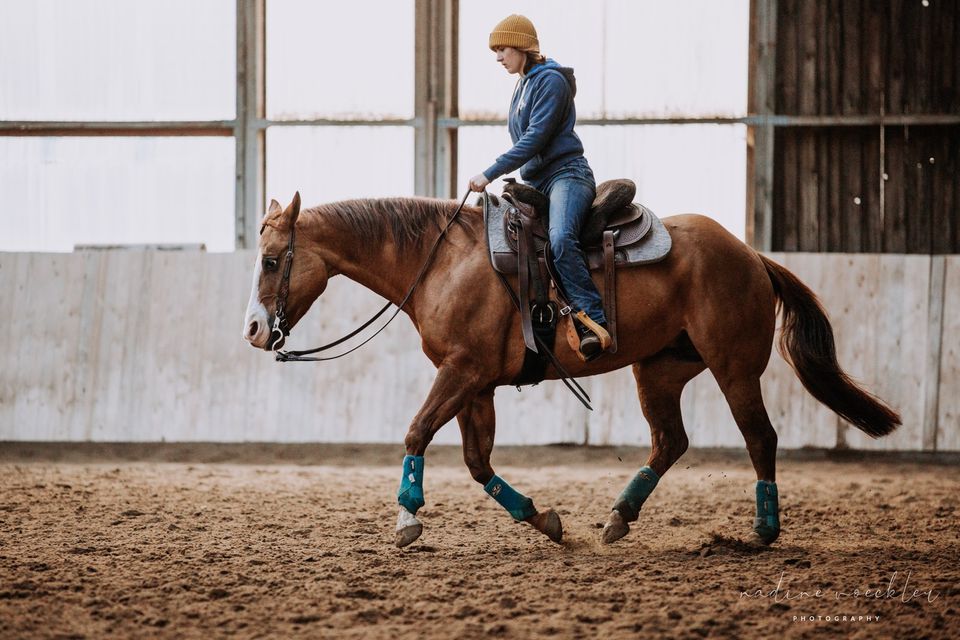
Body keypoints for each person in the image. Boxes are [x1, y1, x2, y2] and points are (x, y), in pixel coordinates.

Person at [468, 14, 610, 359]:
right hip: (537, 181)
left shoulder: (551, 81)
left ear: (521, 46)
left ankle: (593, 318)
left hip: (566, 175)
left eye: (502, 49)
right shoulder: (523, 83)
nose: (498, 58)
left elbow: (534, 139)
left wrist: (490, 172)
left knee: (561, 238)